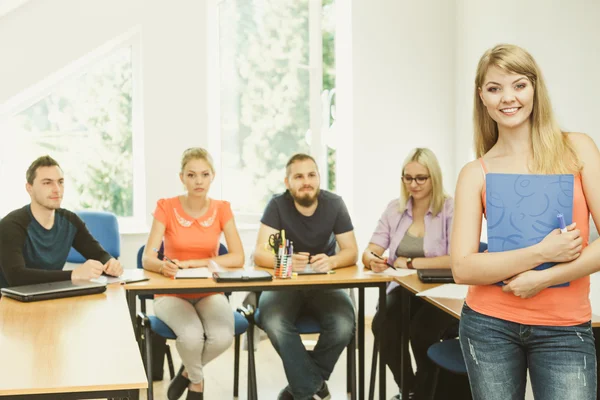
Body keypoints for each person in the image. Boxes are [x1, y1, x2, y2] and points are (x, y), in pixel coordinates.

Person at [451, 43, 600, 400]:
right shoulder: (475, 172)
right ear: (481, 97)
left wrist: (546, 277)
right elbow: (463, 268)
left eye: (518, 84)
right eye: (494, 88)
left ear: (535, 88)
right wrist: (542, 252)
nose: (508, 98)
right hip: (488, 325)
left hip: (565, 329)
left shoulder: (577, 149)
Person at [253, 153, 358, 400]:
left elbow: (352, 251)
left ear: (319, 178)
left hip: (325, 283)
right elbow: (259, 254)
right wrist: (286, 262)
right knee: (275, 322)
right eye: (298, 176)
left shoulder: (335, 203)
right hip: (286, 284)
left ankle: (301, 388)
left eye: (311, 175)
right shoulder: (277, 204)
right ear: (287, 182)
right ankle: (313, 387)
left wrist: (332, 260)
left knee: (344, 324)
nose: (306, 181)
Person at [142, 147, 244, 400]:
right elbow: (147, 257)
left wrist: (195, 263)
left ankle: (187, 373)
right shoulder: (166, 207)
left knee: (221, 338)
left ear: (213, 177)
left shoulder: (222, 209)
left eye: (204, 174)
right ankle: (197, 385)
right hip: (171, 292)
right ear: (182, 178)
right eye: (191, 175)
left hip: (209, 291)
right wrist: (161, 265)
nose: (198, 181)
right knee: (191, 337)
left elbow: (238, 257)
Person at [363, 148, 462, 400]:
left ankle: (423, 393)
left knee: (422, 332)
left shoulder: (450, 208)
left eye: (421, 178)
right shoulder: (394, 209)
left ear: (434, 178)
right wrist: (372, 259)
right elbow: (370, 250)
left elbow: (457, 258)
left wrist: (411, 263)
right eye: (407, 178)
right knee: (383, 326)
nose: (413, 184)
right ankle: (410, 388)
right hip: (404, 289)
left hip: (442, 292)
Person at [0, 155, 123, 289]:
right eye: (47, 183)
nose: (57, 189)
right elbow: (16, 277)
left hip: (51, 294)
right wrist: (73, 275)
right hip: (11, 303)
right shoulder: (10, 226)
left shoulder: (70, 221)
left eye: (60, 182)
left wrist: (110, 263)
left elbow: (98, 254)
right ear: (29, 188)